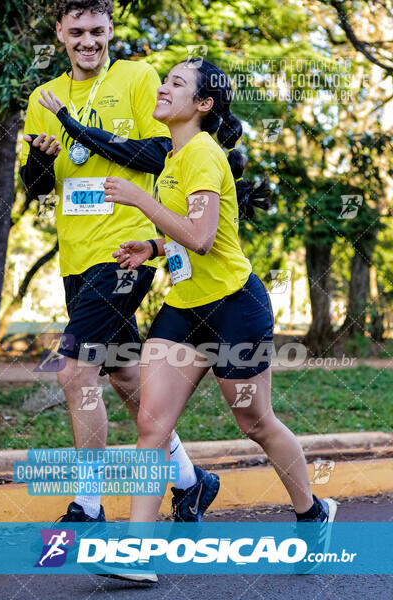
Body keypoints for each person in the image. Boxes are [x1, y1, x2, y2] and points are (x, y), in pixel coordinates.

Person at [101, 57, 338, 572]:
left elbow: (205, 240)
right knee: (151, 424)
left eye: (177, 84)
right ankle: (136, 551)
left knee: (255, 421)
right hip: (185, 310)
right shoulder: (175, 156)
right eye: (165, 80)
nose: (164, 88)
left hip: (235, 309)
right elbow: (187, 233)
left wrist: (142, 201)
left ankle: (312, 512)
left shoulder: (204, 154)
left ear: (203, 105)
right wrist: (153, 246)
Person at [19, 0, 219, 552]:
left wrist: (75, 128)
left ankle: (88, 503)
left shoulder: (135, 77)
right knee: (126, 380)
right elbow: (36, 186)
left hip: (125, 254)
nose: (88, 41)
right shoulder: (44, 98)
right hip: (75, 260)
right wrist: (42, 155)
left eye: (97, 31)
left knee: (73, 372)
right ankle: (191, 481)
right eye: (77, 31)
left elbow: (157, 153)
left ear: (111, 31)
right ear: (60, 32)